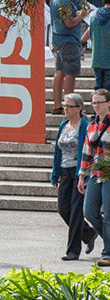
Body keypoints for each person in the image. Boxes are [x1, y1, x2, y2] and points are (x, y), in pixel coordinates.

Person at [51, 93, 97, 260]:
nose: (65, 109)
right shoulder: (63, 125)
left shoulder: (85, 125)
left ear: (79, 108)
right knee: (63, 209)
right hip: (65, 171)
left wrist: (83, 175)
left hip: (79, 173)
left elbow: (87, 151)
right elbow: (58, 151)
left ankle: (73, 251)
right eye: (64, 106)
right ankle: (89, 233)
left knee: (77, 211)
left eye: (69, 106)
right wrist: (55, 174)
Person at [78, 89, 110, 267]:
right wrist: (82, 176)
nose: (96, 106)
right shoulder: (91, 125)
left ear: (108, 103)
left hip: (109, 173)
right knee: (89, 212)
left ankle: (108, 253)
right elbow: (86, 153)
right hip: (95, 174)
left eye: (99, 102)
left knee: (109, 216)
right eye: (93, 103)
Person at [50, 0, 88, 114]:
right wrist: (82, 15)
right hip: (69, 40)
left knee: (59, 71)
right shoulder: (64, 1)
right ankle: (70, 106)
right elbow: (69, 23)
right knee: (70, 73)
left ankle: (57, 105)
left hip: (58, 39)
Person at [81, 0, 110, 91]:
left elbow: (88, 32)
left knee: (98, 86)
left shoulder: (94, 15)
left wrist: (81, 43)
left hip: (97, 58)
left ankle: (97, 104)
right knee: (107, 88)